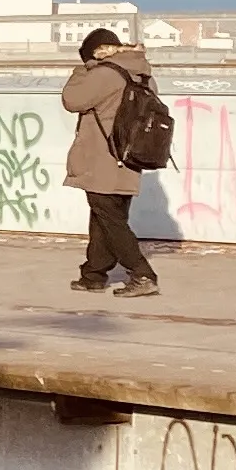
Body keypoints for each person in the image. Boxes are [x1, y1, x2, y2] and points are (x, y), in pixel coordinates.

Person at [61, 25, 161, 295]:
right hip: (130, 157)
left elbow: (72, 100)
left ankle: (142, 274)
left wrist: (83, 70)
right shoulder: (143, 76)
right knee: (105, 217)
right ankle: (94, 274)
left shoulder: (105, 74)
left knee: (110, 219)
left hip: (102, 158)